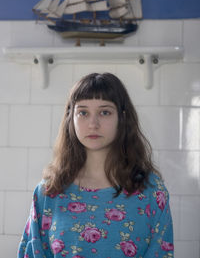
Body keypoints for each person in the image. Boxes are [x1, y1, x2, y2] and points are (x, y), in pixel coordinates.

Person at [17, 72, 174, 258]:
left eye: (104, 112)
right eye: (83, 112)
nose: (93, 123)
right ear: (71, 118)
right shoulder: (48, 192)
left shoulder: (152, 192)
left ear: (122, 117)